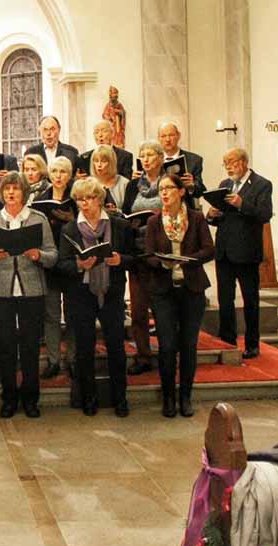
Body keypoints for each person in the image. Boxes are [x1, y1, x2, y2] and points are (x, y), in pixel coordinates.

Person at [0, 172, 57, 418]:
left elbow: (53, 255)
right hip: (0, 291)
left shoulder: (38, 219)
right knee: (6, 346)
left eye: (16, 189)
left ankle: (31, 398)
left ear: (24, 192)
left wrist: (38, 255)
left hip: (31, 290)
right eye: (7, 189)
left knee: (31, 346)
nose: (11, 193)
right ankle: (9, 398)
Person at [57, 177, 134, 417]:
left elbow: (136, 256)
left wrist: (121, 260)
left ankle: (120, 399)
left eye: (89, 198)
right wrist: (80, 265)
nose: (84, 204)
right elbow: (62, 264)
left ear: (99, 199)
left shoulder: (118, 225)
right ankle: (88, 398)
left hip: (111, 291)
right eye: (80, 199)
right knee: (84, 348)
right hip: (81, 294)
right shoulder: (69, 229)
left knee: (115, 347)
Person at [145, 174, 215, 418]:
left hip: (191, 289)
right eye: (161, 189)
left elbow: (209, 249)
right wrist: (163, 263)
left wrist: (188, 260)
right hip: (163, 291)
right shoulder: (154, 222)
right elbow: (148, 254)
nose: (164, 193)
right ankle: (168, 398)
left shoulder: (195, 218)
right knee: (167, 346)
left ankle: (185, 397)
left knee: (188, 345)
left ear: (181, 191)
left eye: (169, 188)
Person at [207, 148, 273, 360]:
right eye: (225, 162)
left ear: (244, 162)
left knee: (250, 299)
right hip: (224, 251)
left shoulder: (262, 184)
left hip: (246, 251)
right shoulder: (224, 185)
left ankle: (252, 344)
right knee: (225, 299)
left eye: (231, 162)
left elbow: (264, 215)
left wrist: (242, 204)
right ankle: (227, 340)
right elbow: (218, 219)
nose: (228, 166)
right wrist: (211, 215)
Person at [122, 140, 168, 376]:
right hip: (139, 253)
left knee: (163, 309)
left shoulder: (169, 183)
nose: (146, 159)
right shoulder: (132, 186)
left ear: (161, 158)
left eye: (151, 155)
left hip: (163, 254)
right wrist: (129, 222)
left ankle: (167, 354)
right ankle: (143, 355)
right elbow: (126, 212)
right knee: (139, 310)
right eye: (143, 155)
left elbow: (183, 210)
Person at [39, 157, 78, 379]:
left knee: (72, 314)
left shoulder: (76, 198)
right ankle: (53, 360)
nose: (58, 175)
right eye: (54, 171)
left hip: (72, 262)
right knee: (51, 315)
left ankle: (72, 358)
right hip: (50, 263)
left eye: (63, 171)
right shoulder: (42, 199)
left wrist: (72, 218)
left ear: (69, 174)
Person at [158, 121, 206, 205]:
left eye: (171, 135)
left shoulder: (194, 160)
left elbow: (201, 191)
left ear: (178, 136)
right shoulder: (155, 159)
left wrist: (192, 185)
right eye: (163, 136)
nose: (168, 139)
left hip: (185, 207)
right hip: (158, 207)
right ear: (159, 139)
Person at [90, 144, 130, 210]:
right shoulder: (89, 183)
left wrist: (117, 211)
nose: (99, 165)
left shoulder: (124, 183)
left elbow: (128, 211)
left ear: (111, 162)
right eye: (96, 161)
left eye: (103, 161)